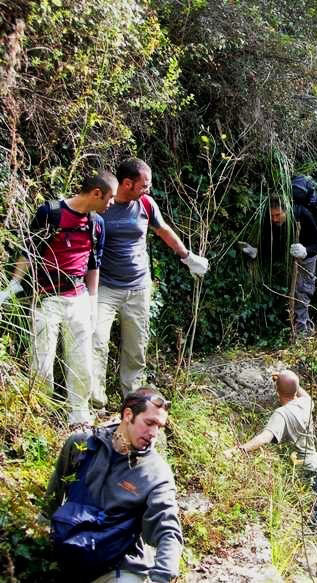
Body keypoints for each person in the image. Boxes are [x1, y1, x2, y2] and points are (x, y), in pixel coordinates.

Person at [0, 171, 116, 427]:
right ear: (97, 193)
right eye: (109, 198)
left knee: (81, 359)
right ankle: (39, 414)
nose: (111, 204)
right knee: (41, 360)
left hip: (79, 299)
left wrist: (93, 303)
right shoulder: (50, 213)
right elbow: (28, 249)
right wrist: (14, 284)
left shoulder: (97, 224)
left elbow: (93, 264)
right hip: (46, 299)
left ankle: (79, 415)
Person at [92, 158, 209, 408]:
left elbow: (163, 230)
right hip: (106, 287)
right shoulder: (104, 204)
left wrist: (187, 257)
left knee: (136, 348)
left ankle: (132, 402)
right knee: (97, 342)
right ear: (127, 183)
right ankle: (96, 402)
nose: (148, 189)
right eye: (144, 185)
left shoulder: (145, 203)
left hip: (138, 287)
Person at [43, 387, 182, 583]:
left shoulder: (156, 473)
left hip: (119, 568)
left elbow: (168, 531)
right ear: (128, 415)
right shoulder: (80, 444)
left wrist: (163, 576)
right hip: (69, 556)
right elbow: (51, 501)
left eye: (159, 427)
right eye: (149, 423)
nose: (153, 434)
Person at [239, 189, 317, 335]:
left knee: (302, 290)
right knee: (292, 290)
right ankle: (299, 329)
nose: (275, 219)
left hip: (306, 254)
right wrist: (258, 252)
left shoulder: (303, 214)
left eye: (278, 215)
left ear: (287, 210)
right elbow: (274, 243)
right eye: (272, 216)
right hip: (288, 252)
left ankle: (302, 333)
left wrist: (305, 251)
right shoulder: (271, 221)